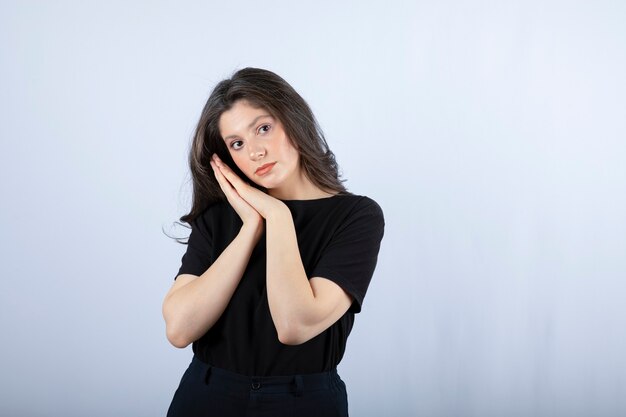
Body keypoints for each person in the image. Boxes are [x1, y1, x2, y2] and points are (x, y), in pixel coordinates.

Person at [162, 67, 384, 417]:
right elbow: (179, 329)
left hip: (304, 401)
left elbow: (294, 325)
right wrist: (251, 226)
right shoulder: (219, 216)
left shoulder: (356, 216)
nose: (255, 152)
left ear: (293, 121)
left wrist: (277, 217)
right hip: (207, 396)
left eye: (263, 128)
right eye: (237, 143)